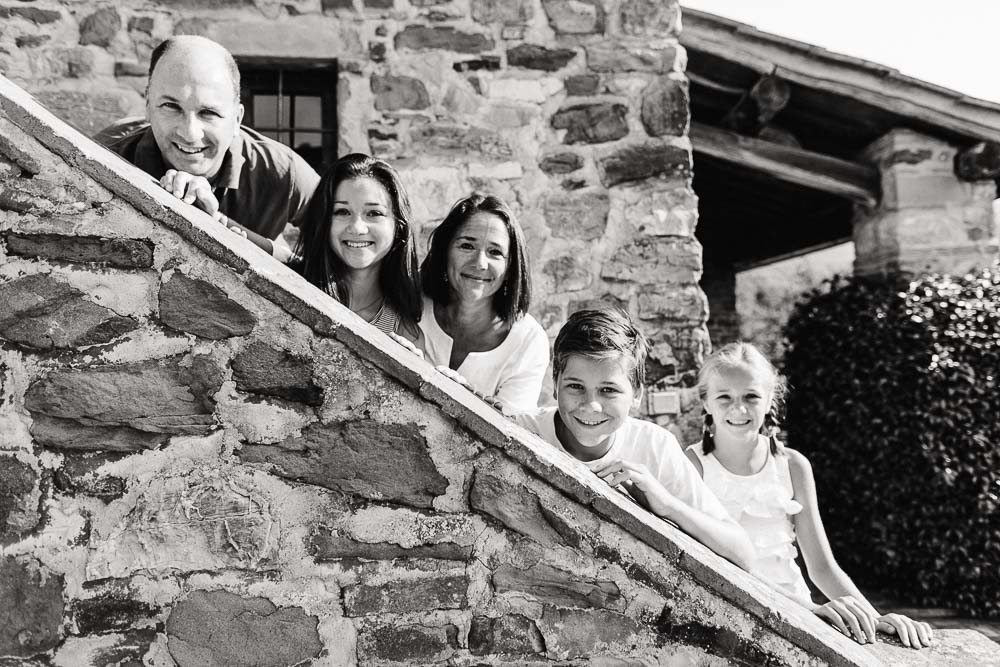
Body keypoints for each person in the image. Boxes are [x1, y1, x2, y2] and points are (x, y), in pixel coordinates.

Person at [686, 342, 935, 649]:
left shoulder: (793, 465)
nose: (739, 409)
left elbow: (821, 567)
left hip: (799, 615)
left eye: (751, 396)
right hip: (725, 614)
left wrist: (876, 617)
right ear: (706, 402)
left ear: (769, 401)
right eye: (724, 397)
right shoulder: (693, 464)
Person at [513, 308, 755, 570]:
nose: (591, 405)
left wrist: (668, 505)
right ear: (555, 382)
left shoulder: (654, 445)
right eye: (575, 386)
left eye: (608, 390)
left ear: (637, 393)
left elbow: (743, 554)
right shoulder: (521, 431)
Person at [95, 35, 319, 261]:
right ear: (147, 106)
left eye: (208, 113)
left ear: (237, 119)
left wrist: (220, 223)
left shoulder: (282, 170)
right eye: (171, 106)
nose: (190, 133)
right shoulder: (103, 158)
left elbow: (350, 248)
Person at [419, 193, 548, 414]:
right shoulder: (411, 304)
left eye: (495, 252)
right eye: (467, 246)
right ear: (445, 252)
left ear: (510, 268)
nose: (480, 263)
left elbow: (512, 432)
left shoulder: (528, 341)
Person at [294, 153, 421, 342]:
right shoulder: (293, 292)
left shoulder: (404, 333)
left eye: (374, 213)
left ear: (398, 226)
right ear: (323, 222)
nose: (357, 228)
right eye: (342, 212)